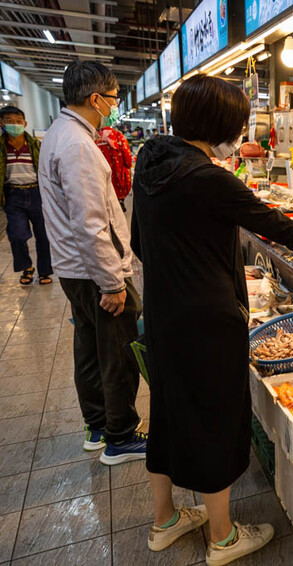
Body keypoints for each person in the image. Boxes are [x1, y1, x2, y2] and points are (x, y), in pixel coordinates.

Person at [130, 74, 293, 565]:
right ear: (218, 125)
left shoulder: (149, 163)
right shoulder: (210, 179)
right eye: (237, 124)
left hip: (163, 315)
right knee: (215, 421)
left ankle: (164, 521)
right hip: (208, 321)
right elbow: (279, 228)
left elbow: (139, 243)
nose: (239, 134)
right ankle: (223, 539)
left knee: (165, 412)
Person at [38, 61, 145, 465]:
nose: (115, 107)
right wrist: (112, 283)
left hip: (75, 268)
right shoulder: (78, 146)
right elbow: (90, 223)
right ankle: (121, 437)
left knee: (88, 347)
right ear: (96, 98)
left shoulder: (60, 133)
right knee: (118, 352)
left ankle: (97, 426)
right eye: (114, 98)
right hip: (93, 270)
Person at [0, 106, 53, 285]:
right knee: (17, 235)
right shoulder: (1, 148)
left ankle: (45, 270)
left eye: (18, 121)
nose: (14, 125)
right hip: (12, 195)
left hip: (36, 193)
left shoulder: (35, 145)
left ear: (25, 123)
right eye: (9, 121)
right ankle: (27, 267)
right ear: (1, 123)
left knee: (43, 235)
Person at [97, 110, 133, 211]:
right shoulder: (119, 137)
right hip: (119, 177)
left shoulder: (95, 138)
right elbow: (128, 161)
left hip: (102, 179)